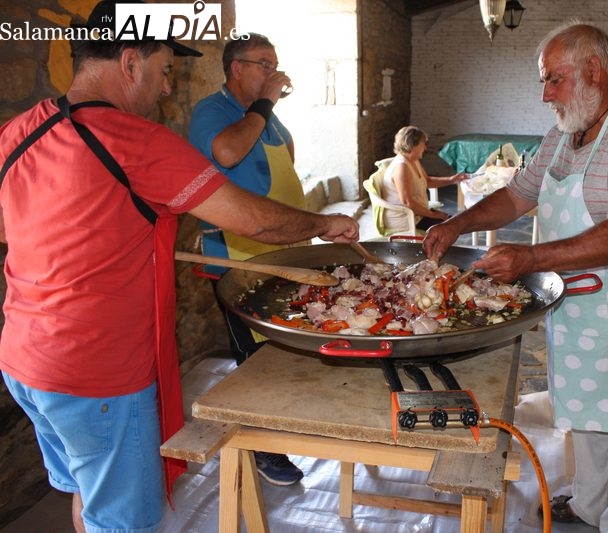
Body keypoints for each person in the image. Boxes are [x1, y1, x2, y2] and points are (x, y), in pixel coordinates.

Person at [0, 2, 359, 532]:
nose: (168, 89)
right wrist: (323, 225)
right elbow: (253, 221)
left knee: (86, 491)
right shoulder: (137, 141)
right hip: (98, 372)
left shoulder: (17, 132)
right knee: (126, 522)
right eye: (165, 71)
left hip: (25, 361)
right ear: (129, 62)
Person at [423, 22, 608, 532]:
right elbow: (518, 194)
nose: (545, 94)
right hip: (588, 306)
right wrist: (456, 223)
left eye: (554, 79)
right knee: (592, 411)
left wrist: (529, 259)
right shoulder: (563, 135)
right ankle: (594, 505)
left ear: (593, 71)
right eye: (543, 81)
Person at [188, 33, 306, 486]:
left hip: (280, 255)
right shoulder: (212, 112)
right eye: (264, 64)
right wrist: (264, 103)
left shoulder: (273, 123)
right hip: (238, 261)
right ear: (236, 67)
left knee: (285, 353)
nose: (274, 75)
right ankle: (261, 448)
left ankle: (281, 428)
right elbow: (227, 152)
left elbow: (286, 172)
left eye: (276, 65)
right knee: (254, 360)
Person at [380, 126, 464, 233]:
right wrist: (433, 214)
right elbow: (407, 202)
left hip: (416, 213)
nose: (425, 148)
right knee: (449, 227)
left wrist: (452, 179)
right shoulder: (402, 167)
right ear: (412, 144)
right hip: (405, 218)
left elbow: (427, 181)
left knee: (454, 222)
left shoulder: (413, 160)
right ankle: (433, 249)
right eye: (423, 143)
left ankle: (437, 249)